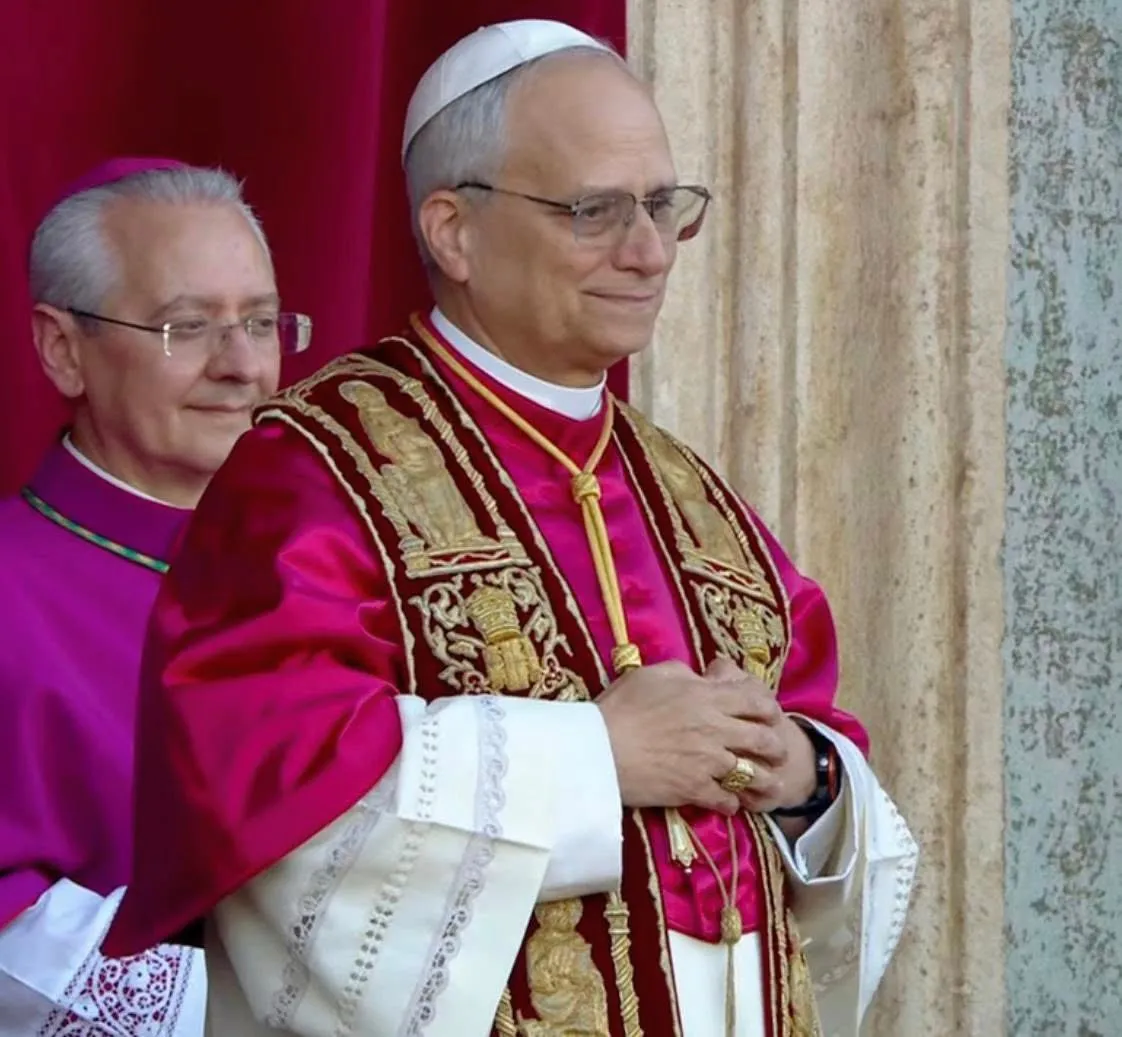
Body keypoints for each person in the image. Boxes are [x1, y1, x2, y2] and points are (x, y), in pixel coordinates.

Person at [105, 21, 918, 1037]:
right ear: (453, 230)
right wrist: (596, 756)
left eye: (665, 207)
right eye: (595, 212)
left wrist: (807, 777)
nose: (650, 251)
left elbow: (822, 755)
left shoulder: (696, 498)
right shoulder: (314, 474)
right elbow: (269, 807)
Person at [0, 157, 311, 1036]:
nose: (243, 365)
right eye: (188, 328)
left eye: (261, 321)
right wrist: (247, 1006)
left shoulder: (347, 565)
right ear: (63, 348)